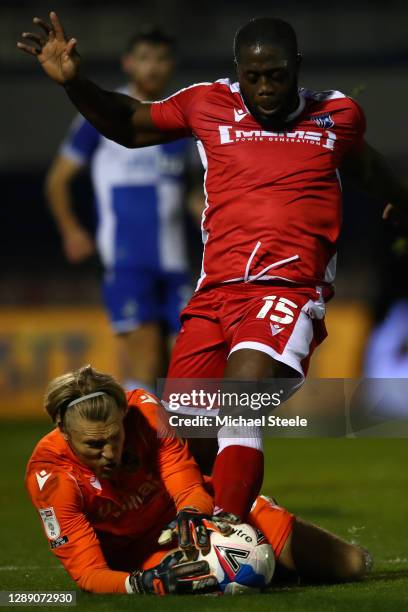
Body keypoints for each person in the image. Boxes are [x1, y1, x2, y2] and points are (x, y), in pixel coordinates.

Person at [18, 13, 408, 521]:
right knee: (185, 432)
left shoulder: (337, 115)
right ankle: (211, 522)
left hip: (287, 291)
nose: (265, 87)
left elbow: (366, 166)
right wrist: (75, 84)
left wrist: (401, 199)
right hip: (215, 295)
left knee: (238, 402)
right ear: (237, 70)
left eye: (278, 75)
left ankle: (222, 535)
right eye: (253, 76)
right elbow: (129, 124)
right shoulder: (207, 103)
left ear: (298, 68)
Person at [26, 366, 370, 594]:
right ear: (63, 431)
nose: (110, 454)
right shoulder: (51, 477)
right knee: (249, 573)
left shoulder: (145, 412)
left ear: (123, 417)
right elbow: (88, 574)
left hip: (198, 516)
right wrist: (142, 584)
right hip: (145, 557)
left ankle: (266, 546)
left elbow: (188, 485)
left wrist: (191, 512)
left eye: (114, 437)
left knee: (351, 565)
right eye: (94, 445)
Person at [44, 27, 191, 393]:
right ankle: (141, 446)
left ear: (171, 65)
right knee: (146, 363)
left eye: (161, 60)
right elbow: (58, 179)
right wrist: (71, 230)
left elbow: (186, 192)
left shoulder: (180, 120)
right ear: (128, 63)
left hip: (176, 264)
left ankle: (177, 447)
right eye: (145, 59)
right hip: (127, 262)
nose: (153, 68)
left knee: (184, 367)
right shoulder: (106, 114)